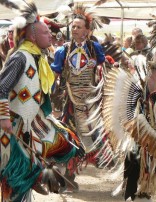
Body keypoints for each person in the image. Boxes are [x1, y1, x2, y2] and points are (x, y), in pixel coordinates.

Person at [0, 2, 81, 200]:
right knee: (17, 174)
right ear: (33, 36)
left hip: (30, 123)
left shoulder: (37, 57)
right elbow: (2, 87)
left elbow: (37, 92)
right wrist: (3, 118)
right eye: (46, 33)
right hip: (13, 124)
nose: (51, 36)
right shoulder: (21, 57)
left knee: (64, 144)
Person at [50, 3, 109, 191]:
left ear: (87, 31)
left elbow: (104, 66)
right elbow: (55, 75)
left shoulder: (95, 48)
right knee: (70, 134)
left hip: (91, 99)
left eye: (78, 27)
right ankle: (68, 174)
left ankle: (101, 156)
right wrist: (47, 93)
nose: (74, 30)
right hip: (70, 100)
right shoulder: (62, 51)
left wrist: (100, 71)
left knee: (94, 131)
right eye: (73, 27)